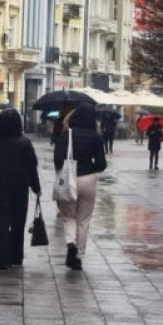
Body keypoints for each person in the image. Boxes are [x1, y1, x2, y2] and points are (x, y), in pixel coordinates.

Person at [0, 108, 41, 270]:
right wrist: (36, 188)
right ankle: (16, 256)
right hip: (20, 189)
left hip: (0, 189)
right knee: (18, 223)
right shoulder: (25, 143)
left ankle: (1, 259)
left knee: (0, 223)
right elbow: (32, 168)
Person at [54, 103, 107, 270]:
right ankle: (79, 256)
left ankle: (71, 244)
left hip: (70, 178)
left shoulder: (66, 135)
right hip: (88, 179)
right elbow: (101, 164)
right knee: (83, 220)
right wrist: (91, 167)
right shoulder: (96, 137)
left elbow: (57, 159)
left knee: (68, 216)